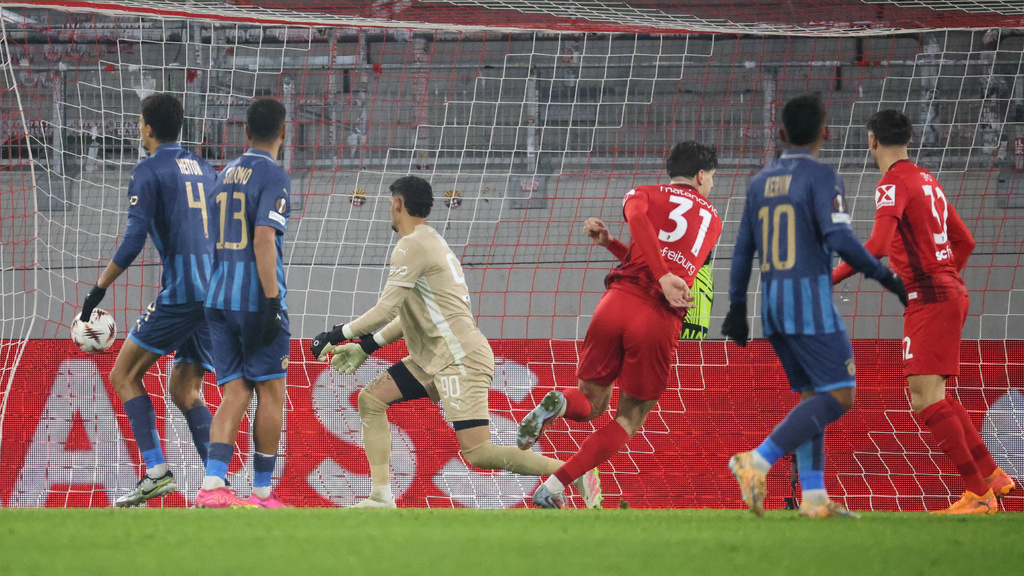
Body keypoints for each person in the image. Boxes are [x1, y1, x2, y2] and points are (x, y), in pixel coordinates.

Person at [311, 175, 601, 509]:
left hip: (458, 359)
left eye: (390, 205)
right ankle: (381, 497)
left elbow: (385, 308)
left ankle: (572, 472)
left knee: (479, 453)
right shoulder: (430, 241)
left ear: (397, 204)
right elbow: (406, 315)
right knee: (371, 400)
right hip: (431, 358)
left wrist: (337, 335)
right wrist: (366, 347)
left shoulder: (411, 246)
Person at [722, 94, 908, 518]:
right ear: (826, 132)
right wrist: (886, 277)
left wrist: (736, 308)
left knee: (813, 397)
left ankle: (814, 498)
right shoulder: (822, 177)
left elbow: (741, 251)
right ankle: (759, 459)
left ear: (782, 133)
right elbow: (840, 239)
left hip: (771, 308)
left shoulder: (758, 182)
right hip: (809, 304)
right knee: (840, 395)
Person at [515, 141, 720, 509]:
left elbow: (639, 228)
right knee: (629, 416)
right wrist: (664, 276)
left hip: (613, 305)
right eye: (712, 179)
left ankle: (560, 402)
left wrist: (611, 243)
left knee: (591, 402)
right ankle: (552, 488)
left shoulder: (642, 192)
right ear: (702, 176)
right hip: (656, 317)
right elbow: (665, 270)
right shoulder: (713, 220)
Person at [833, 109, 1016, 514]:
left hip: (930, 296)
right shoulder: (927, 181)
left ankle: (978, 496)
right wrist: (944, 278)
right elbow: (964, 240)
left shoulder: (892, 182)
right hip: (948, 291)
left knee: (924, 399)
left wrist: (832, 277)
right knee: (938, 395)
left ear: (872, 141)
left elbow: (878, 246)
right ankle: (991, 476)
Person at [76, 93, 217, 508]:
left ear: (148, 128)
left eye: (140, 123)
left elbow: (134, 239)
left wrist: (98, 289)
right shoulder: (207, 168)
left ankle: (156, 473)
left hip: (183, 293)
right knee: (185, 390)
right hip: (214, 290)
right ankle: (216, 486)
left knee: (123, 375)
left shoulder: (148, 170)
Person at [194, 98, 291, 509]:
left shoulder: (222, 176)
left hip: (217, 298)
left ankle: (213, 484)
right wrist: (272, 302)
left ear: (246, 132)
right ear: (283, 133)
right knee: (271, 392)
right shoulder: (274, 174)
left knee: (235, 392)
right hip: (255, 299)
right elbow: (264, 238)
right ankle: (262, 492)